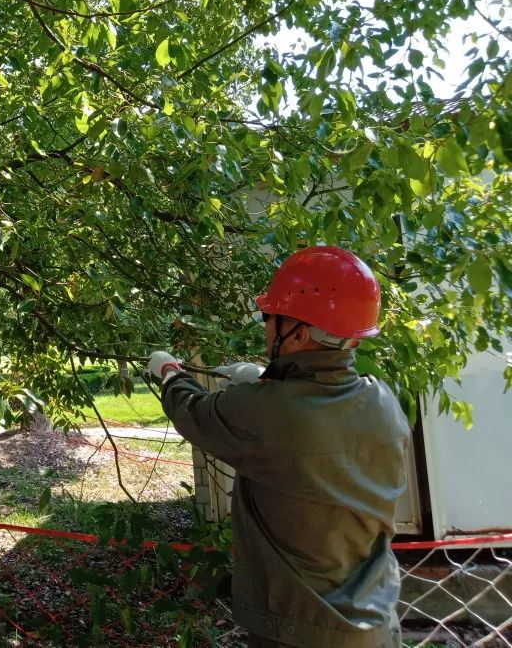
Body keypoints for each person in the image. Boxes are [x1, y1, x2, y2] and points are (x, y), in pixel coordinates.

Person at [147, 246, 410, 648]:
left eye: (270, 318)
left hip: (299, 630)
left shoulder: (267, 413)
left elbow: (193, 411)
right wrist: (265, 382)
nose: (265, 327)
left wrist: (168, 372)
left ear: (300, 332)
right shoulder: (383, 401)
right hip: (376, 623)